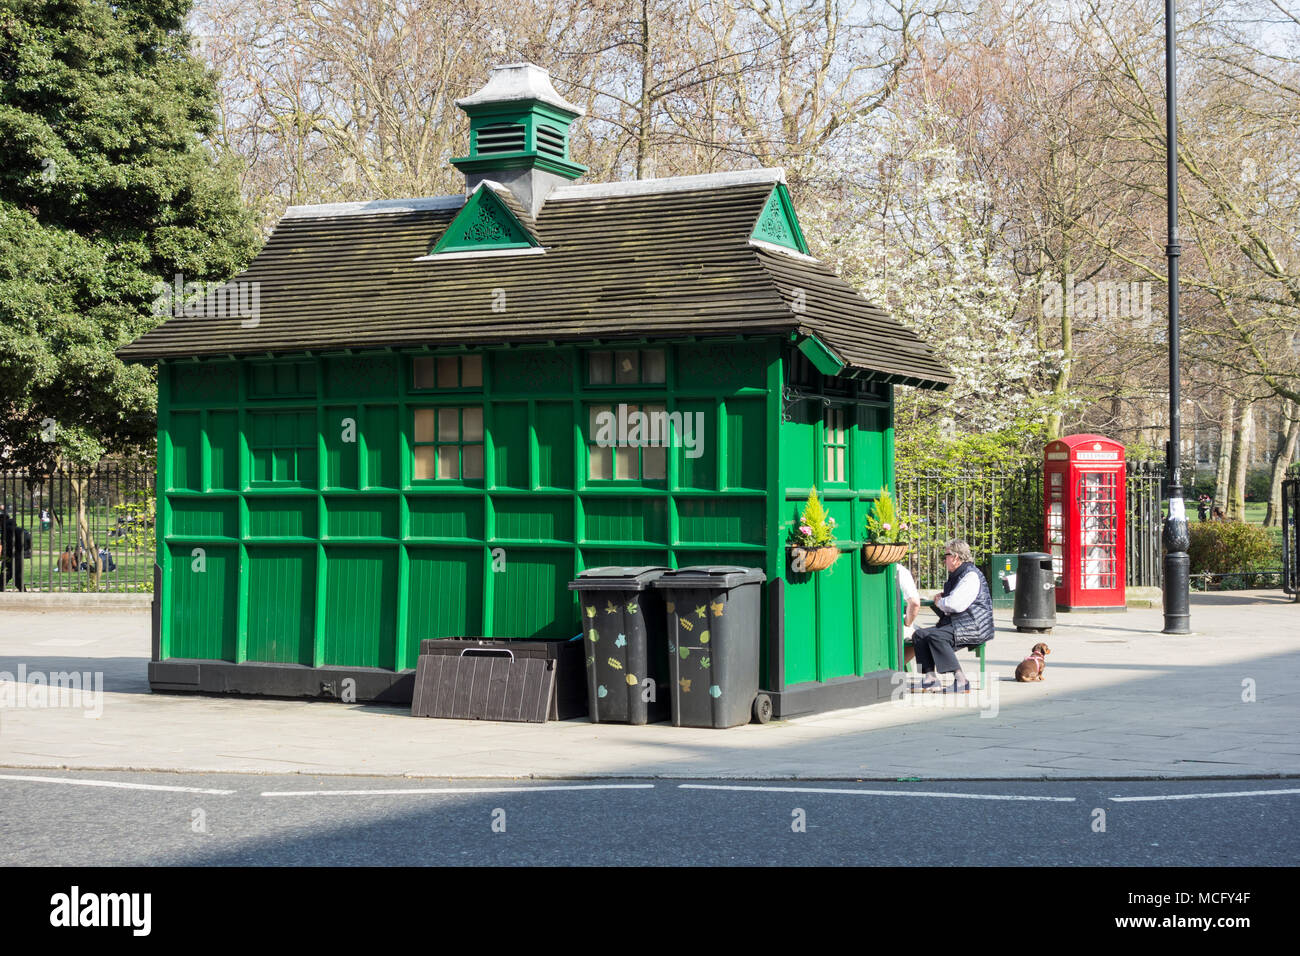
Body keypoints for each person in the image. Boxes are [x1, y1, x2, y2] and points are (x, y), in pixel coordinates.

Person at [911, 538, 994, 693]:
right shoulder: (959, 574)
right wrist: (944, 598)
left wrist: (940, 601)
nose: (944, 559)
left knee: (937, 637)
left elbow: (955, 604)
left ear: (956, 557)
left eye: (946, 555)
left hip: (974, 625)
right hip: (959, 623)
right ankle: (930, 679)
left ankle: (961, 680)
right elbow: (953, 599)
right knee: (920, 635)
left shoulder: (970, 575)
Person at [898, 563, 922, 666]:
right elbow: (915, 603)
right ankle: (897, 667)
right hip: (891, 625)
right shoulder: (899, 571)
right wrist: (907, 622)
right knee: (920, 636)